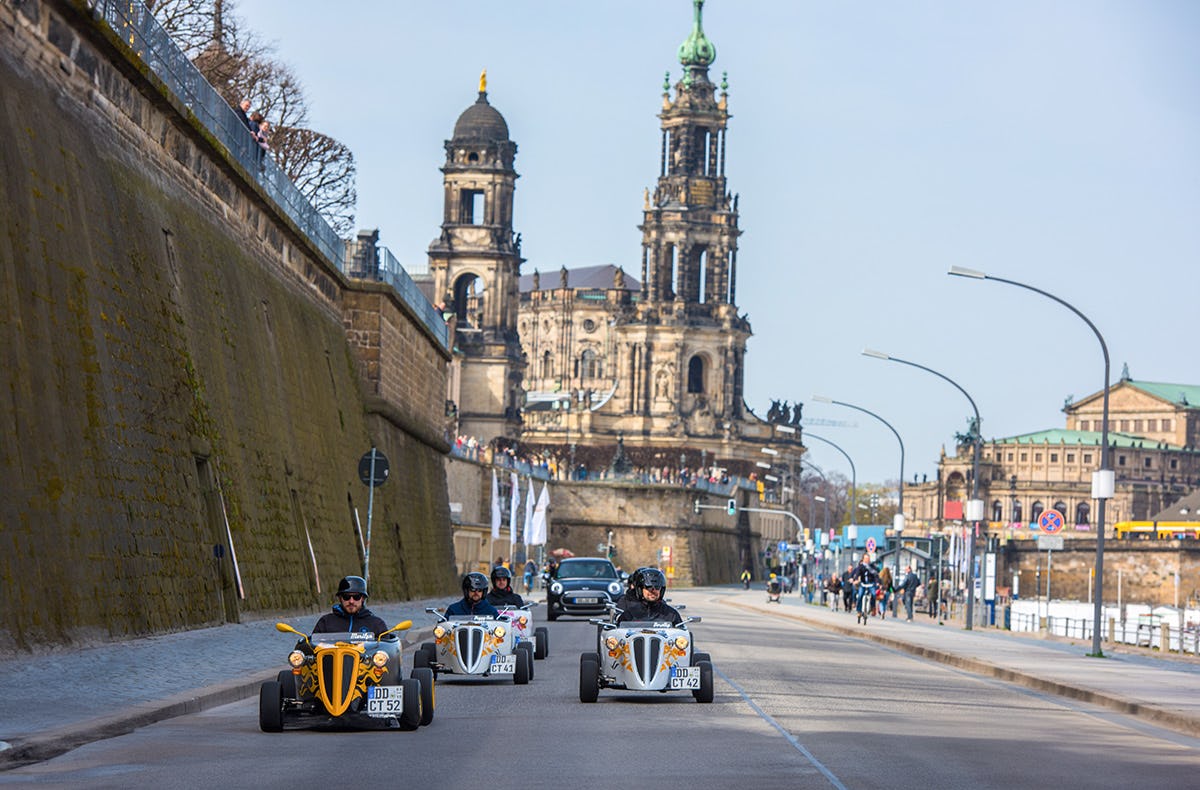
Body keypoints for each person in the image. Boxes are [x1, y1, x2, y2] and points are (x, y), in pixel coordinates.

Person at [311, 575, 388, 636]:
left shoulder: (377, 624)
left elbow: (387, 646)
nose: (351, 601)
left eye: (356, 597)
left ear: (363, 598)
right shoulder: (326, 622)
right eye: (346, 597)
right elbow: (311, 644)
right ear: (340, 598)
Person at [616, 568, 682, 626]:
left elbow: (681, 633)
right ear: (640, 589)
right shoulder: (629, 614)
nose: (653, 591)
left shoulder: (671, 614)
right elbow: (617, 632)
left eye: (657, 587)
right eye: (649, 587)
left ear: (661, 590)